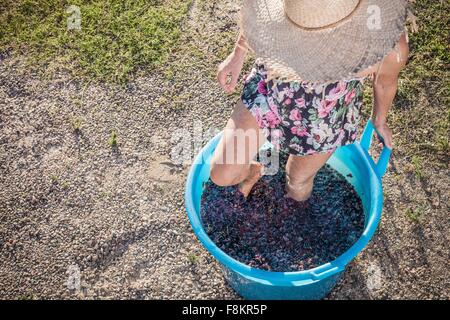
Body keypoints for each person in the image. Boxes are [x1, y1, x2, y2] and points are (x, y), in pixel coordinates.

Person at [210, 0, 409, 201]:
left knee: (297, 184)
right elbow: (259, 12)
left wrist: (379, 120)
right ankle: (254, 171)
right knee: (222, 173)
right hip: (271, 90)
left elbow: (384, 82)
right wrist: (238, 53)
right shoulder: (298, 8)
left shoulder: (385, 42)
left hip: (325, 119)